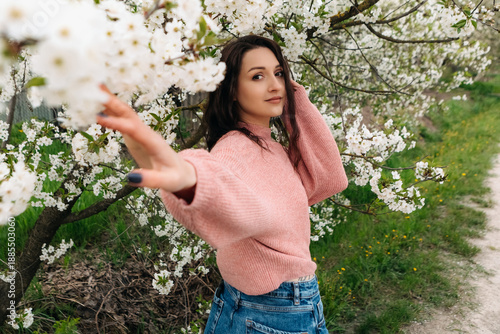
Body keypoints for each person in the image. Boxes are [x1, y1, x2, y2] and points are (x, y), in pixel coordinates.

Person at [97, 35, 348, 334]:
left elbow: (328, 179)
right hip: (268, 311)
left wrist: (296, 100)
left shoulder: (272, 147)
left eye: (279, 73)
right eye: (257, 76)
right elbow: (221, 185)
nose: (274, 85)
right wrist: (188, 181)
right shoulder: (235, 148)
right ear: (231, 90)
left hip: (296, 305)